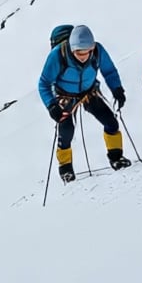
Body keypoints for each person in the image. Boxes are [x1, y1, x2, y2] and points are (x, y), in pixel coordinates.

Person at [38, 24, 130, 183]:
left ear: (92, 47)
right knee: (66, 131)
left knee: (111, 122)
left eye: (86, 52)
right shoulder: (57, 55)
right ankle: (66, 169)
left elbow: (109, 71)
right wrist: (52, 106)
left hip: (88, 92)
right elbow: (44, 83)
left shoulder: (97, 51)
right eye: (78, 53)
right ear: (72, 49)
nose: (83, 56)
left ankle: (116, 158)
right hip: (64, 96)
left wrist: (117, 89)